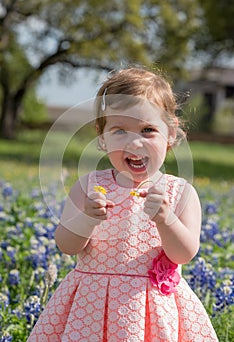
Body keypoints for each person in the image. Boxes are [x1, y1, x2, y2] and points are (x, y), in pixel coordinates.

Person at [28, 67, 218, 341]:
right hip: (90, 308)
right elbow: (66, 245)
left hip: (152, 309)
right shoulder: (88, 186)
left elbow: (183, 254)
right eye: (120, 131)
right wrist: (87, 219)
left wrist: (166, 220)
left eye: (148, 130)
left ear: (171, 133)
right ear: (101, 137)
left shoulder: (180, 192)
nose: (135, 141)